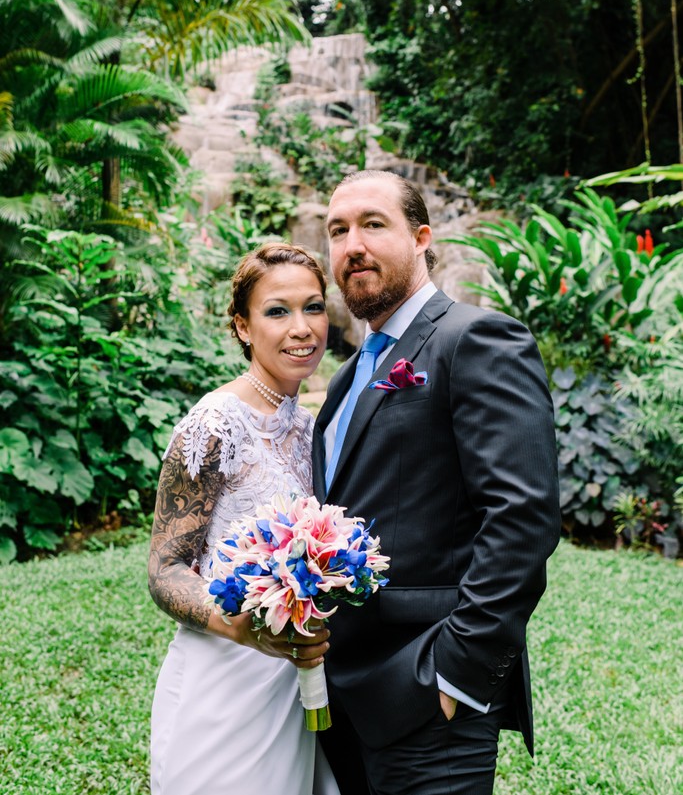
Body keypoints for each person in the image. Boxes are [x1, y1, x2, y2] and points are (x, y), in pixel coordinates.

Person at [313, 170, 561, 795]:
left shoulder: (476, 339)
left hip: (430, 695)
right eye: (338, 231)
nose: (352, 245)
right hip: (346, 695)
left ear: (422, 237)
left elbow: (522, 518)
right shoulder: (346, 379)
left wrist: (454, 676)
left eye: (373, 224)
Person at [148, 242, 340, 795]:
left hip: (296, 684)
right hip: (224, 680)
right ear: (243, 326)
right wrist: (245, 629)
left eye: (314, 307)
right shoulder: (215, 424)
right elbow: (165, 570)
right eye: (277, 311)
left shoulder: (311, 432)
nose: (302, 328)